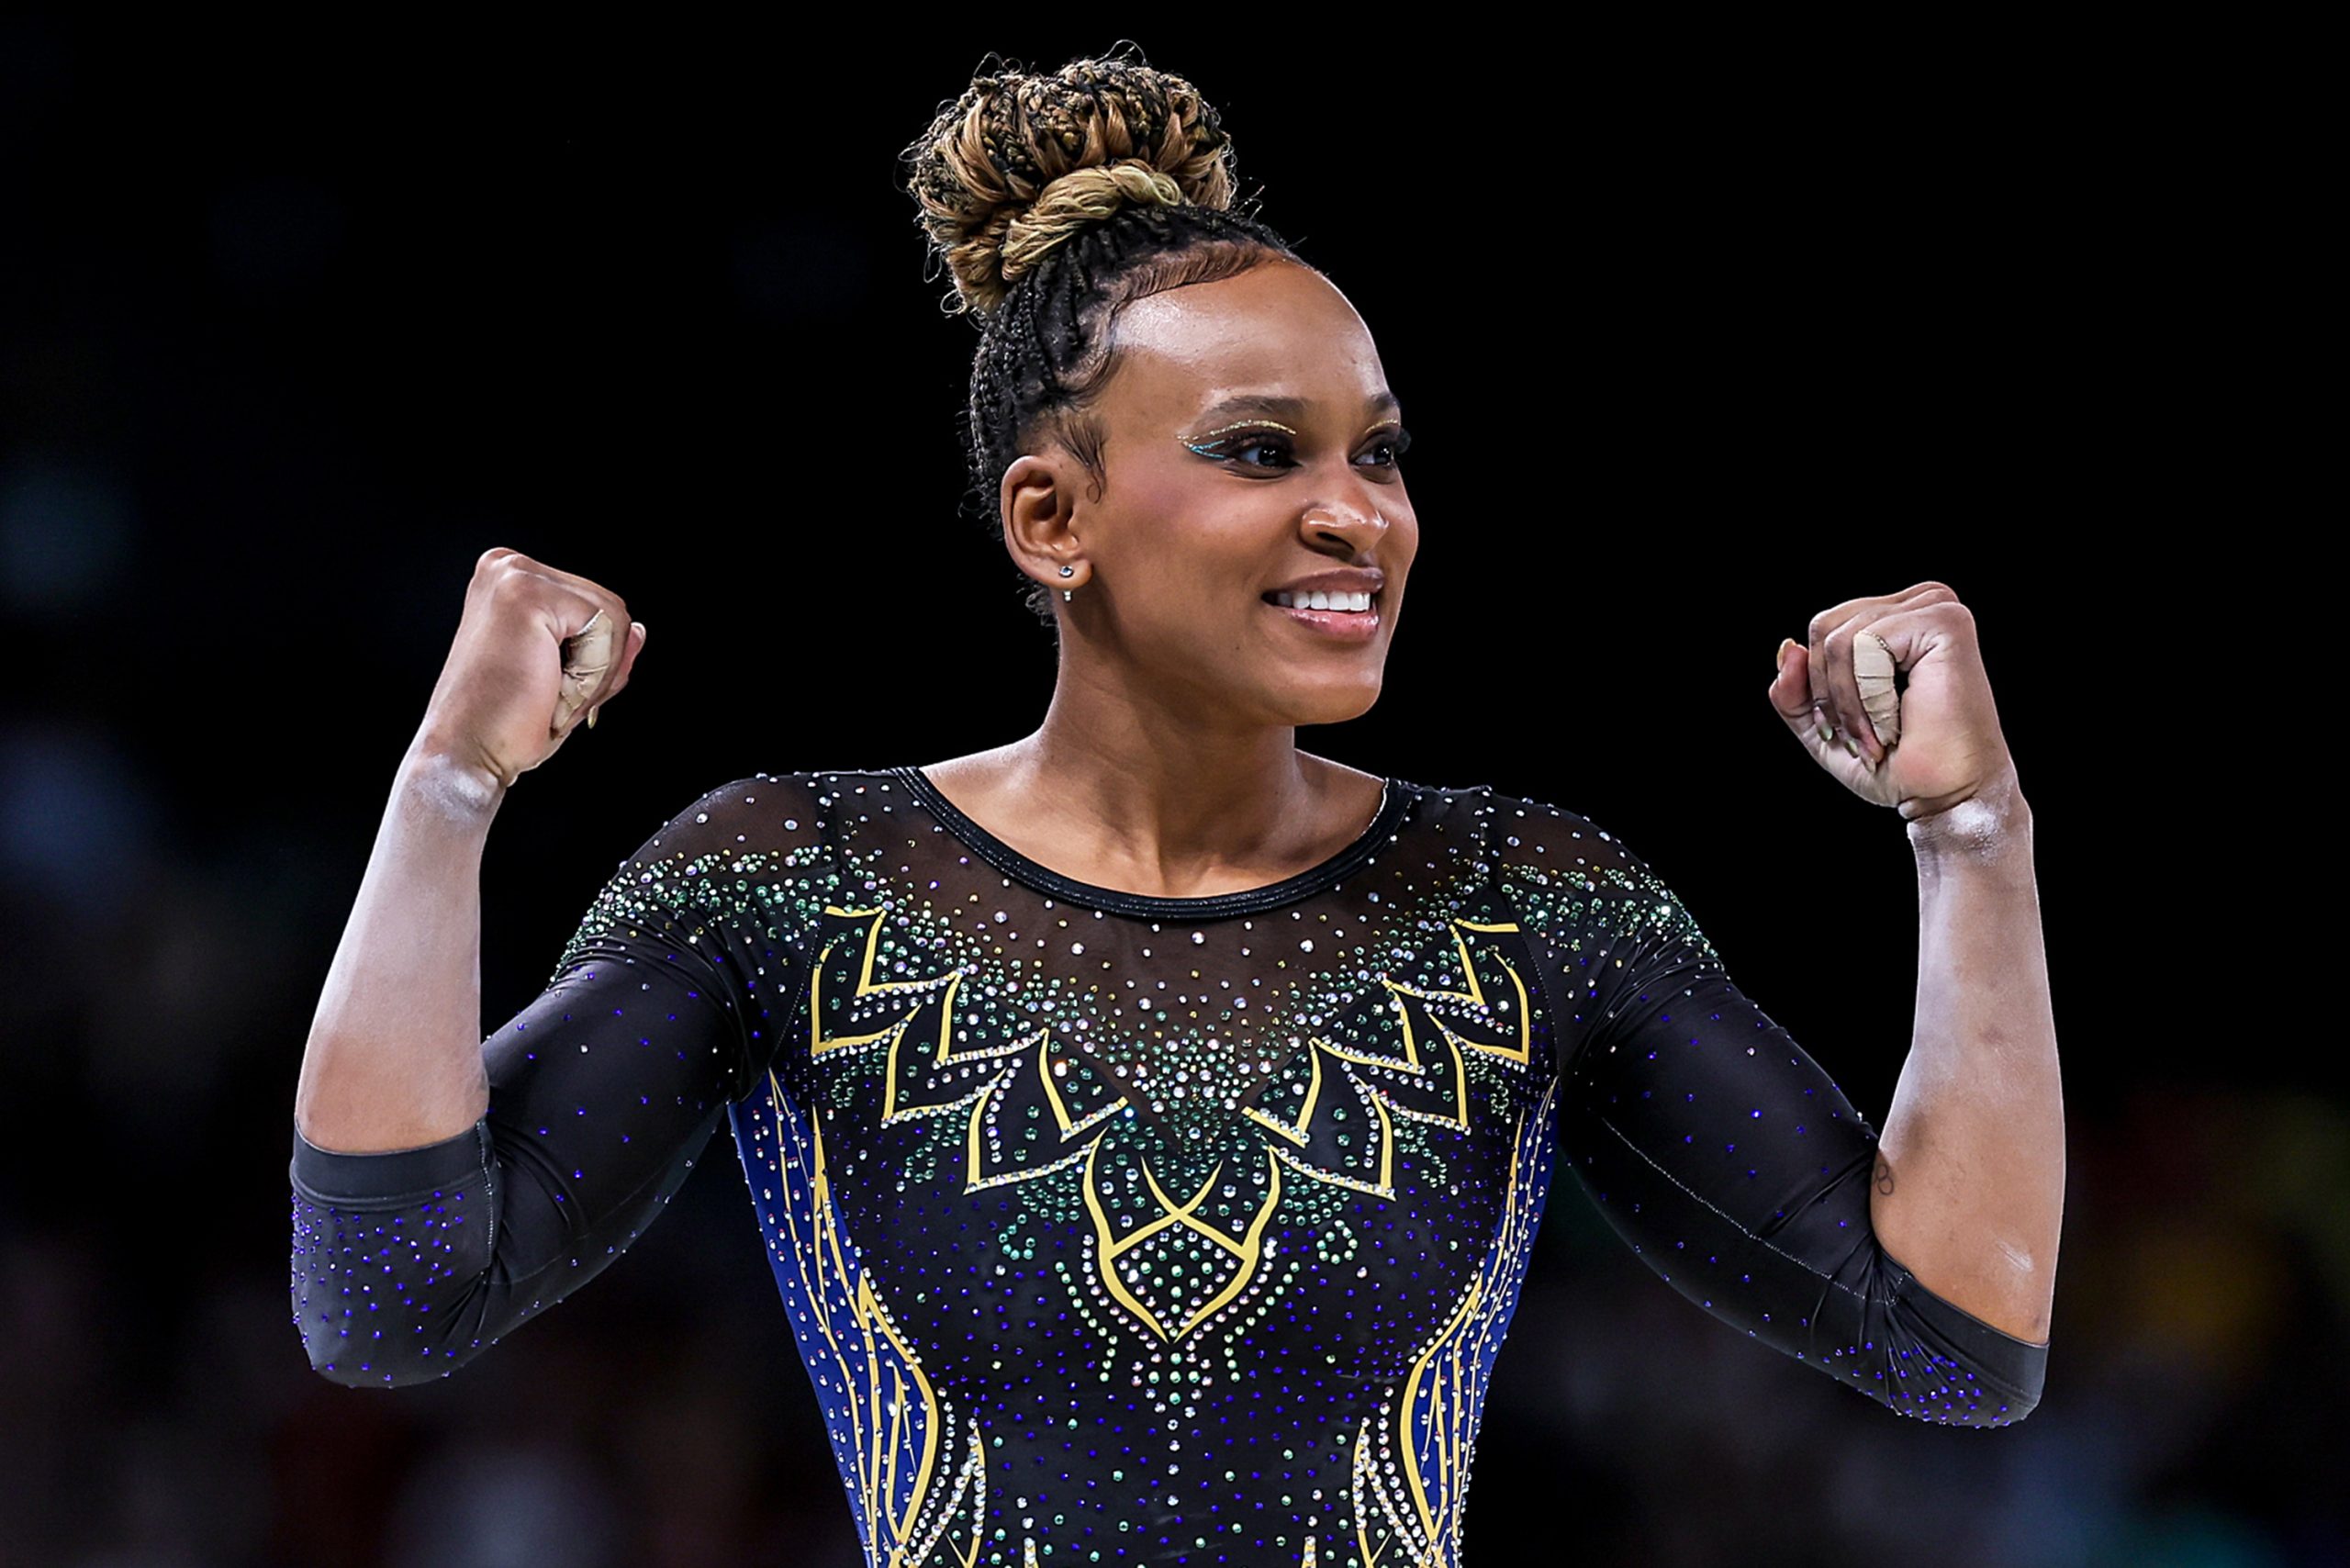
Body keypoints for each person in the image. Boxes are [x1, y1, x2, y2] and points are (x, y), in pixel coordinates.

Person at [285, 50, 2062, 1568]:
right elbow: (388, 1298)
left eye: (1378, 450)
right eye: (1261, 450)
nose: (1358, 511)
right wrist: (449, 787)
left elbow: (1959, 1339)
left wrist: (1972, 835)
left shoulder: (1523, 904)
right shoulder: (802, 881)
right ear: (1053, 519)